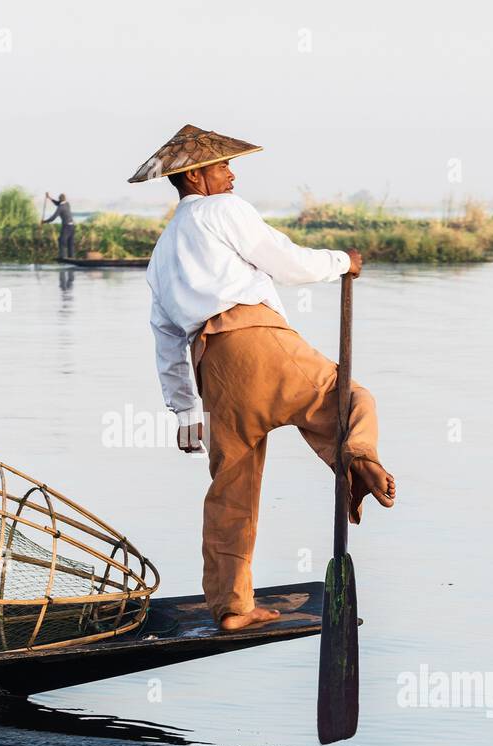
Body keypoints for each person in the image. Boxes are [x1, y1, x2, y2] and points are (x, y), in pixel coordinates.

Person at [131, 124, 396, 632]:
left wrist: (185, 409)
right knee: (347, 398)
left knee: (231, 489)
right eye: (223, 167)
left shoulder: (162, 252)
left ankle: (232, 608)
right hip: (256, 340)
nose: (231, 175)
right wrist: (344, 262)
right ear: (196, 177)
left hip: (212, 369)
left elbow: (165, 337)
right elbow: (288, 263)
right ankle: (359, 461)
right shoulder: (221, 211)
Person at [43, 192, 75, 260]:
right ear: (65, 199)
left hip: (66, 226)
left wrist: (44, 221)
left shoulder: (61, 207)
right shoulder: (67, 204)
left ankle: (63, 257)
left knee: (62, 241)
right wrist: (49, 198)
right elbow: (57, 203)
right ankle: (71, 257)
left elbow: (53, 217)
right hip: (72, 226)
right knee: (70, 242)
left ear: (60, 199)